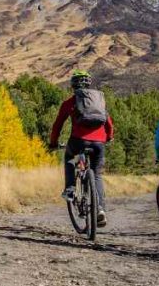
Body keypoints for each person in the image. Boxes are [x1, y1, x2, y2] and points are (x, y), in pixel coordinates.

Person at [48, 70, 114, 227]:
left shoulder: (69, 103)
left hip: (78, 141)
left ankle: (70, 188)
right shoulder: (98, 101)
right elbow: (109, 122)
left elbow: (57, 126)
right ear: (89, 84)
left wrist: (53, 143)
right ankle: (99, 209)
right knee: (97, 176)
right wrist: (109, 137)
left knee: (69, 156)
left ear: (72, 86)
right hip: (99, 143)